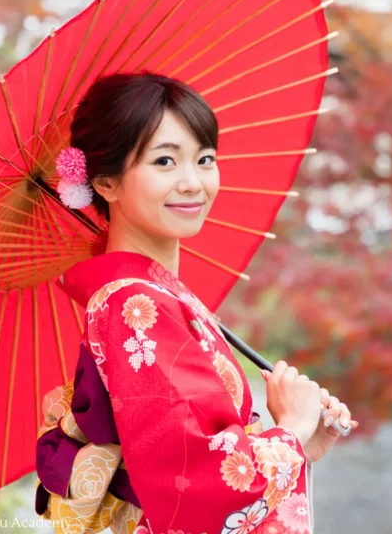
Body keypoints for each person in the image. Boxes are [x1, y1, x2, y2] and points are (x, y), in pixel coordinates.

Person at [34, 74, 358, 534]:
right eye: (165, 161)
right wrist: (290, 431)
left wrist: (299, 443)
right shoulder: (134, 305)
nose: (193, 182)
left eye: (205, 159)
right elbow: (201, 486)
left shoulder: (155, 297)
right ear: (106, 183)